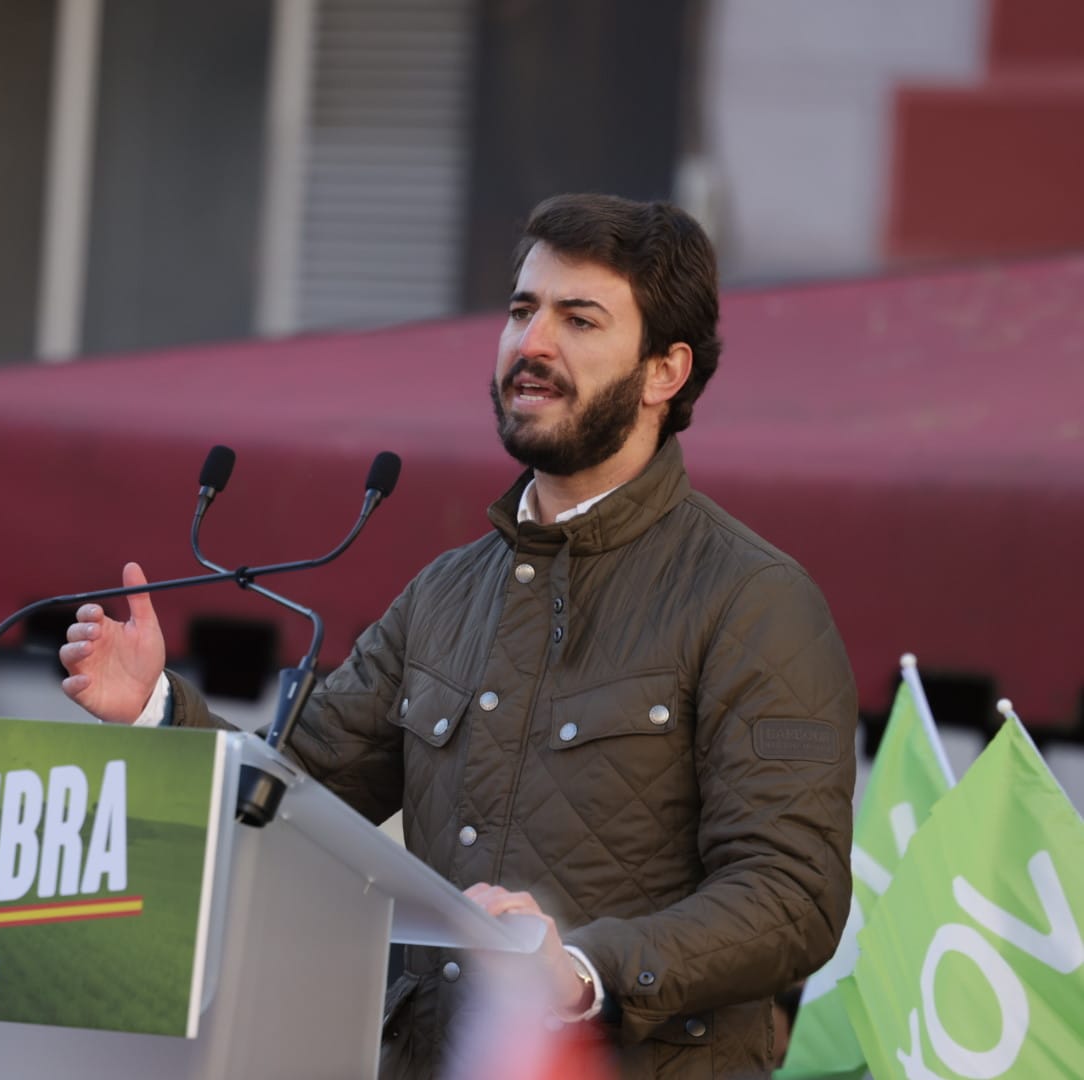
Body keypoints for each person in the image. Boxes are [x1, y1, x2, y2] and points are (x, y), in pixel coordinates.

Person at [59, 193, 857, 1079]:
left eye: (578, 319)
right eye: (523, 311)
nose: (533, 344)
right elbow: (292, 805)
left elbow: (794, 896)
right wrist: (157, 713)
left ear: (665, 371)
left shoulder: (754, 600)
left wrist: (583, 972)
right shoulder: (442, 595)